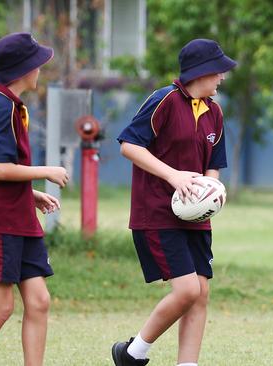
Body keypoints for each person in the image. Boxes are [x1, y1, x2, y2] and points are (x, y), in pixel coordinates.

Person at [112, 39, 236, 366]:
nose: (222, 77)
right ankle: (132, 352)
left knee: (201, 293)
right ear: (202, 72)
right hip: (157, 212)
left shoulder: (214, 110)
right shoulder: (163, 100)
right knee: (187, 291)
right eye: (218, 71)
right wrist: (174, 176)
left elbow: (214, 163)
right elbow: (129, 145)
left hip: (196, 217)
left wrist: (212, 193)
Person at [0, 33, 69, 366]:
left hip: (17, 217)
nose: (41, 70)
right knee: (2, 306)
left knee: (38, 301)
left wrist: (30, 195)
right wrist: (45, 172)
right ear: (24, 69)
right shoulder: (1, 106)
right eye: (37, 64)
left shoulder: (12, 105)